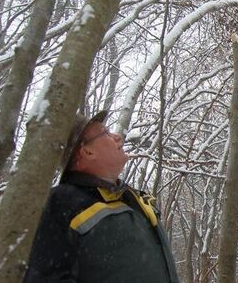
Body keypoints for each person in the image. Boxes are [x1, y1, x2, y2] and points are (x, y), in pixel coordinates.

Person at [23, 110, 180, 282]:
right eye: (105, 132)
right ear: (87, 152)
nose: (117, 137)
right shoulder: (61, 204)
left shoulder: (130, 198)